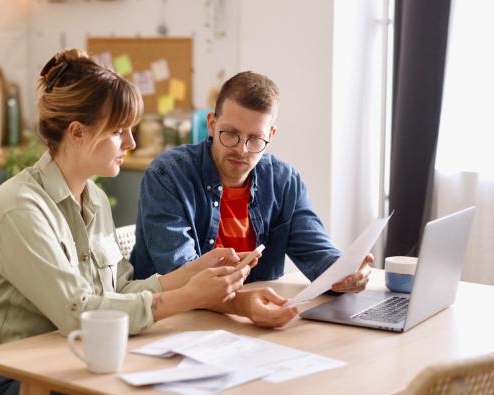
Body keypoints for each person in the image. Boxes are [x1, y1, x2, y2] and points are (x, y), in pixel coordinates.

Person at [0, 49, 272, 395]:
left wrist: (194, 271)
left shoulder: (96, 200)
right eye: (119, 130)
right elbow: (80, 313)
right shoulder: (20, 207)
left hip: (77, 366)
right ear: (77, 132)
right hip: (10, 394)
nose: (131, 142)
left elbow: (121, 288)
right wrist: (188, 297)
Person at [130, 71, 373, 326]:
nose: (241, 149)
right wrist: (242, 306)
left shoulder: (284, 181)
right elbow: (180, 274)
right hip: (170, 322)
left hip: (250, 322)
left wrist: (345, 272)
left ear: (271, 135)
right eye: (230, 134)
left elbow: (318, 253)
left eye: (255, 139)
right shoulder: (168, 175)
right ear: (212, 124)